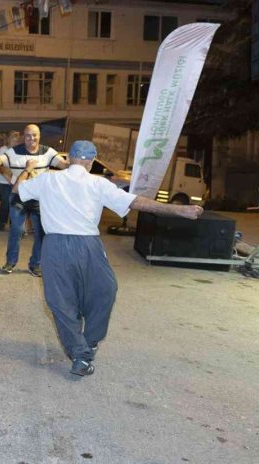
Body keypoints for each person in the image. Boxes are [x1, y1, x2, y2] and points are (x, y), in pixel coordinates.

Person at [15, 141, 204, 377]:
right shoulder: (98, 183)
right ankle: (88, 344)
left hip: (55, 245)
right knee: (105, 290)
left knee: (60, 301)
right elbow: (136, 202)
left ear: (70, 159)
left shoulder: (48, 179)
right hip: (88, 245)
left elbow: (17, 190)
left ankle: (80, 354)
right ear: (91, 161)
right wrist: (178, 210)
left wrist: (25, 170)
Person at [0, 124, 68, 277]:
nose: (31, 138)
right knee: (16, 231)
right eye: (28, 135)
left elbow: (63, 165)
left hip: (39, 199)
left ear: (39, 136)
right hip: (18, 197)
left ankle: (35, 265)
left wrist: (73, 162)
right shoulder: (14, 152)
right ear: (23, 137)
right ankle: (10, 262)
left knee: (40, 233)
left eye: (34, 135)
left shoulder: (48, 152)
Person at [0, 131, 21, 231]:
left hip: (14, 181)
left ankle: (14, 225)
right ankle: (1, 223)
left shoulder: (18, 151)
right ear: (8, 140)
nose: (15, 143)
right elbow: (0, 166)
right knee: (6, 201)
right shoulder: (3, 150)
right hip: (2, 181)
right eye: (13, 140)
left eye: (17, 141)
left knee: (15, 203)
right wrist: (9, 179)